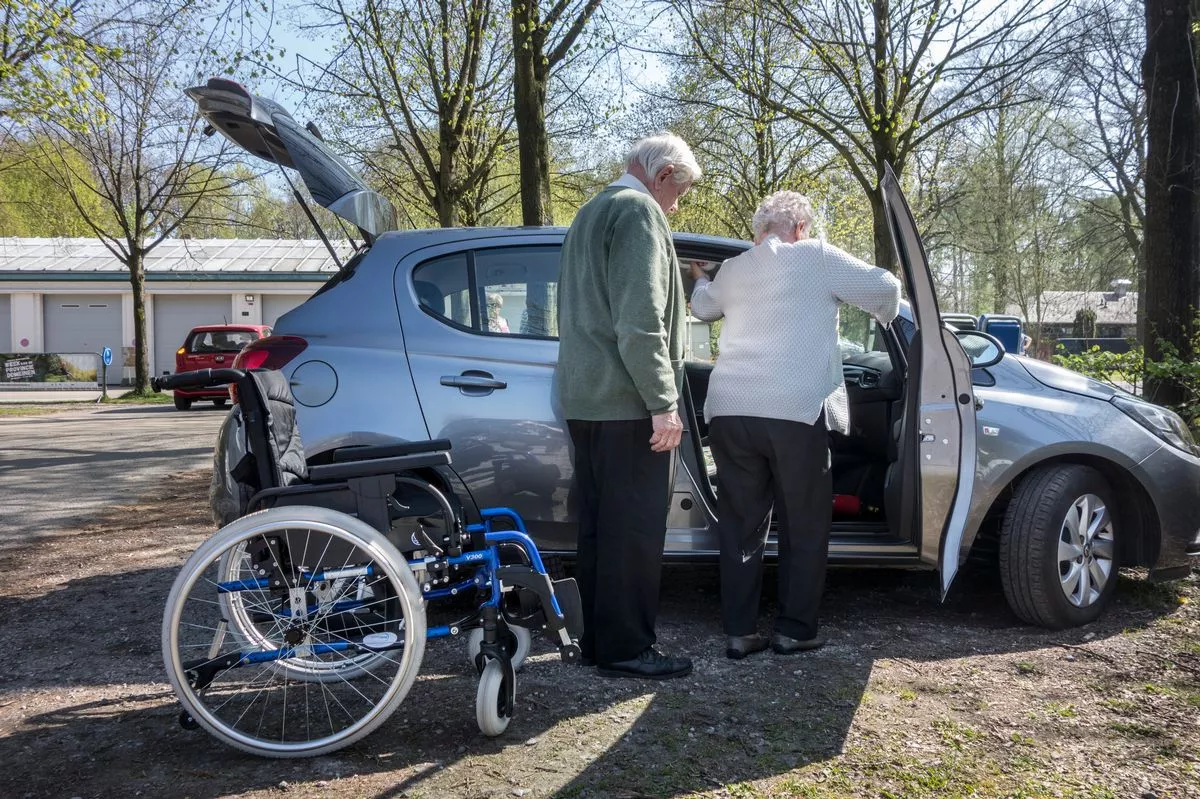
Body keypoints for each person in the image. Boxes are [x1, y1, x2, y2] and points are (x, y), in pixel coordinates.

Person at [689, 191, 901, 659]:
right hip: (793, 411)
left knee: (741, 525)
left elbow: (703, 307)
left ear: (757, 232)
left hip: (730, 410)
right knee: (804, 523)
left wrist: (701, 277)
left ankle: (740, 631)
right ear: (801, 229)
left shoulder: (737, 267)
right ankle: (794, 629)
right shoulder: (818, 256)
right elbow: (885, 289)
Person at [555, 132, 701, 680]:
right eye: (679, 192)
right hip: (627, 401)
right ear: (663, 175)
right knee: (635, 531)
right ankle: (627, 650)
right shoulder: (638, 212)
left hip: (586, 398)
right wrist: (663, 402)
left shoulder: (589, 211)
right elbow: (640, 322)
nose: (676, 205)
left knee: (598, 528)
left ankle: (598, 642)